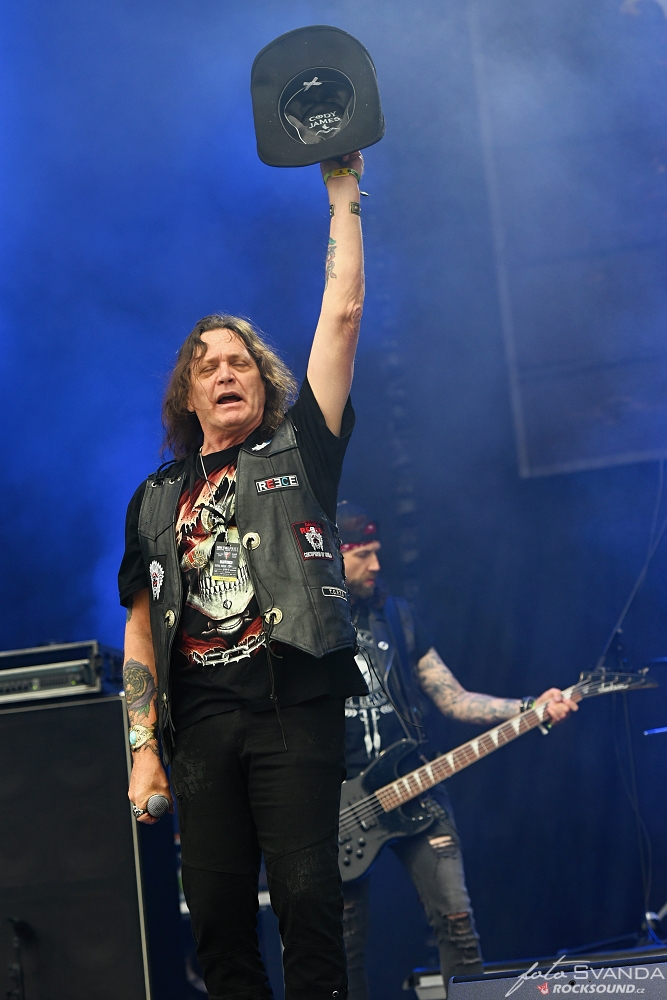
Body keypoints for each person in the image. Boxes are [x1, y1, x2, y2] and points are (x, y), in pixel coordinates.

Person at [117, 153, 369, 1000]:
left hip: (291, 704)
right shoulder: (155, 498)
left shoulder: (301, 449)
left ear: (265, 382)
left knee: (306, 902)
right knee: (218, 923)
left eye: (241, 362)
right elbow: (140, 629)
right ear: (187, 396)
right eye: (208, 366)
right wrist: (143, 755)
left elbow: (342, 313)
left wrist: (342, 187)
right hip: (199, 728)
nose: (226, 373)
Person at [335, 501, 577, 999]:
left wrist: (530, 707)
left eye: (378, 552)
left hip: (415, 789)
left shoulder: (397, 617)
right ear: (336, 556)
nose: (376, 565)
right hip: (340, 806)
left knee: (458, 924)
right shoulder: (312, 626)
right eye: (363, 555)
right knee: (342, 949)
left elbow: (453, 699)